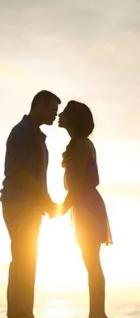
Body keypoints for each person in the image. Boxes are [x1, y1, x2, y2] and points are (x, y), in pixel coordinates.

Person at [0, 90, 61, 318]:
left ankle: (22, 312)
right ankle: (20, 313)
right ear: (40, 105)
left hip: (29, 204)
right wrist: (46, 201)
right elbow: (22, 174)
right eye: (53, 110)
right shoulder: (22, 132)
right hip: (19, 203)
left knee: (26, 259)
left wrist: (45, 202)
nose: (55, 115)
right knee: (24, 259)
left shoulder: (33, 134)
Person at [58, 100, 112, 318]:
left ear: (73, 119)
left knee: (92, 261)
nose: (59, 115)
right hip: (83, 205)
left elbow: (78, 183)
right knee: (91, 261)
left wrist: (58, 210)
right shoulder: (78, 143)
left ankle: (97, 313)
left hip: (87, 206)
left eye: (64, 112)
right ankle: (97, 312)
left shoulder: (81, 144)